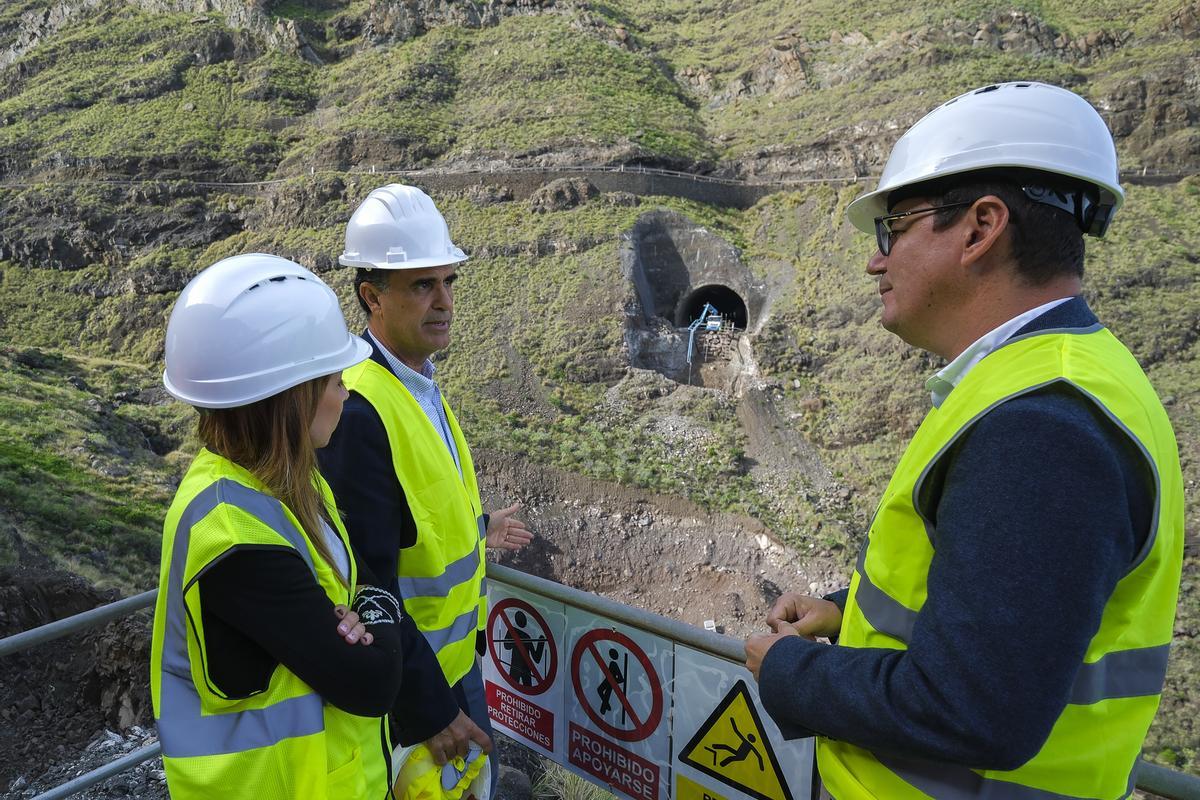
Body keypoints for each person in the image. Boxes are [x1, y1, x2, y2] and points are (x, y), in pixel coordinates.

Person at [744, 82, 1184, 799]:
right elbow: (1004, 597)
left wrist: (792, 672)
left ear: (981, 228)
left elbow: (973, 709)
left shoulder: (1042, 425)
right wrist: (846, 610)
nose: (873, 262)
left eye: (894, 229)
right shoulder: (1060, 379)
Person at [150, 253, 433, 799]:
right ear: (289, 398)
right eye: (332, 379)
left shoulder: (287, 481)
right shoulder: (235, 540)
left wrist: (370, 610)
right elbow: (372, 682)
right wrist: (378, 609)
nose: (345, 393)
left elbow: (364, 575)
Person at [318, 184, 533, 791]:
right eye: (421, 285)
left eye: (448, 282)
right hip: (419, 691)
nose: (443, 301)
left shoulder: (416, 385)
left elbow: (413, 518)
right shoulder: (359, 409)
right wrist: (427, 706)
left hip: (455, 669)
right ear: (371, 297)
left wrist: (480, 528)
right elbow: (367, 577)